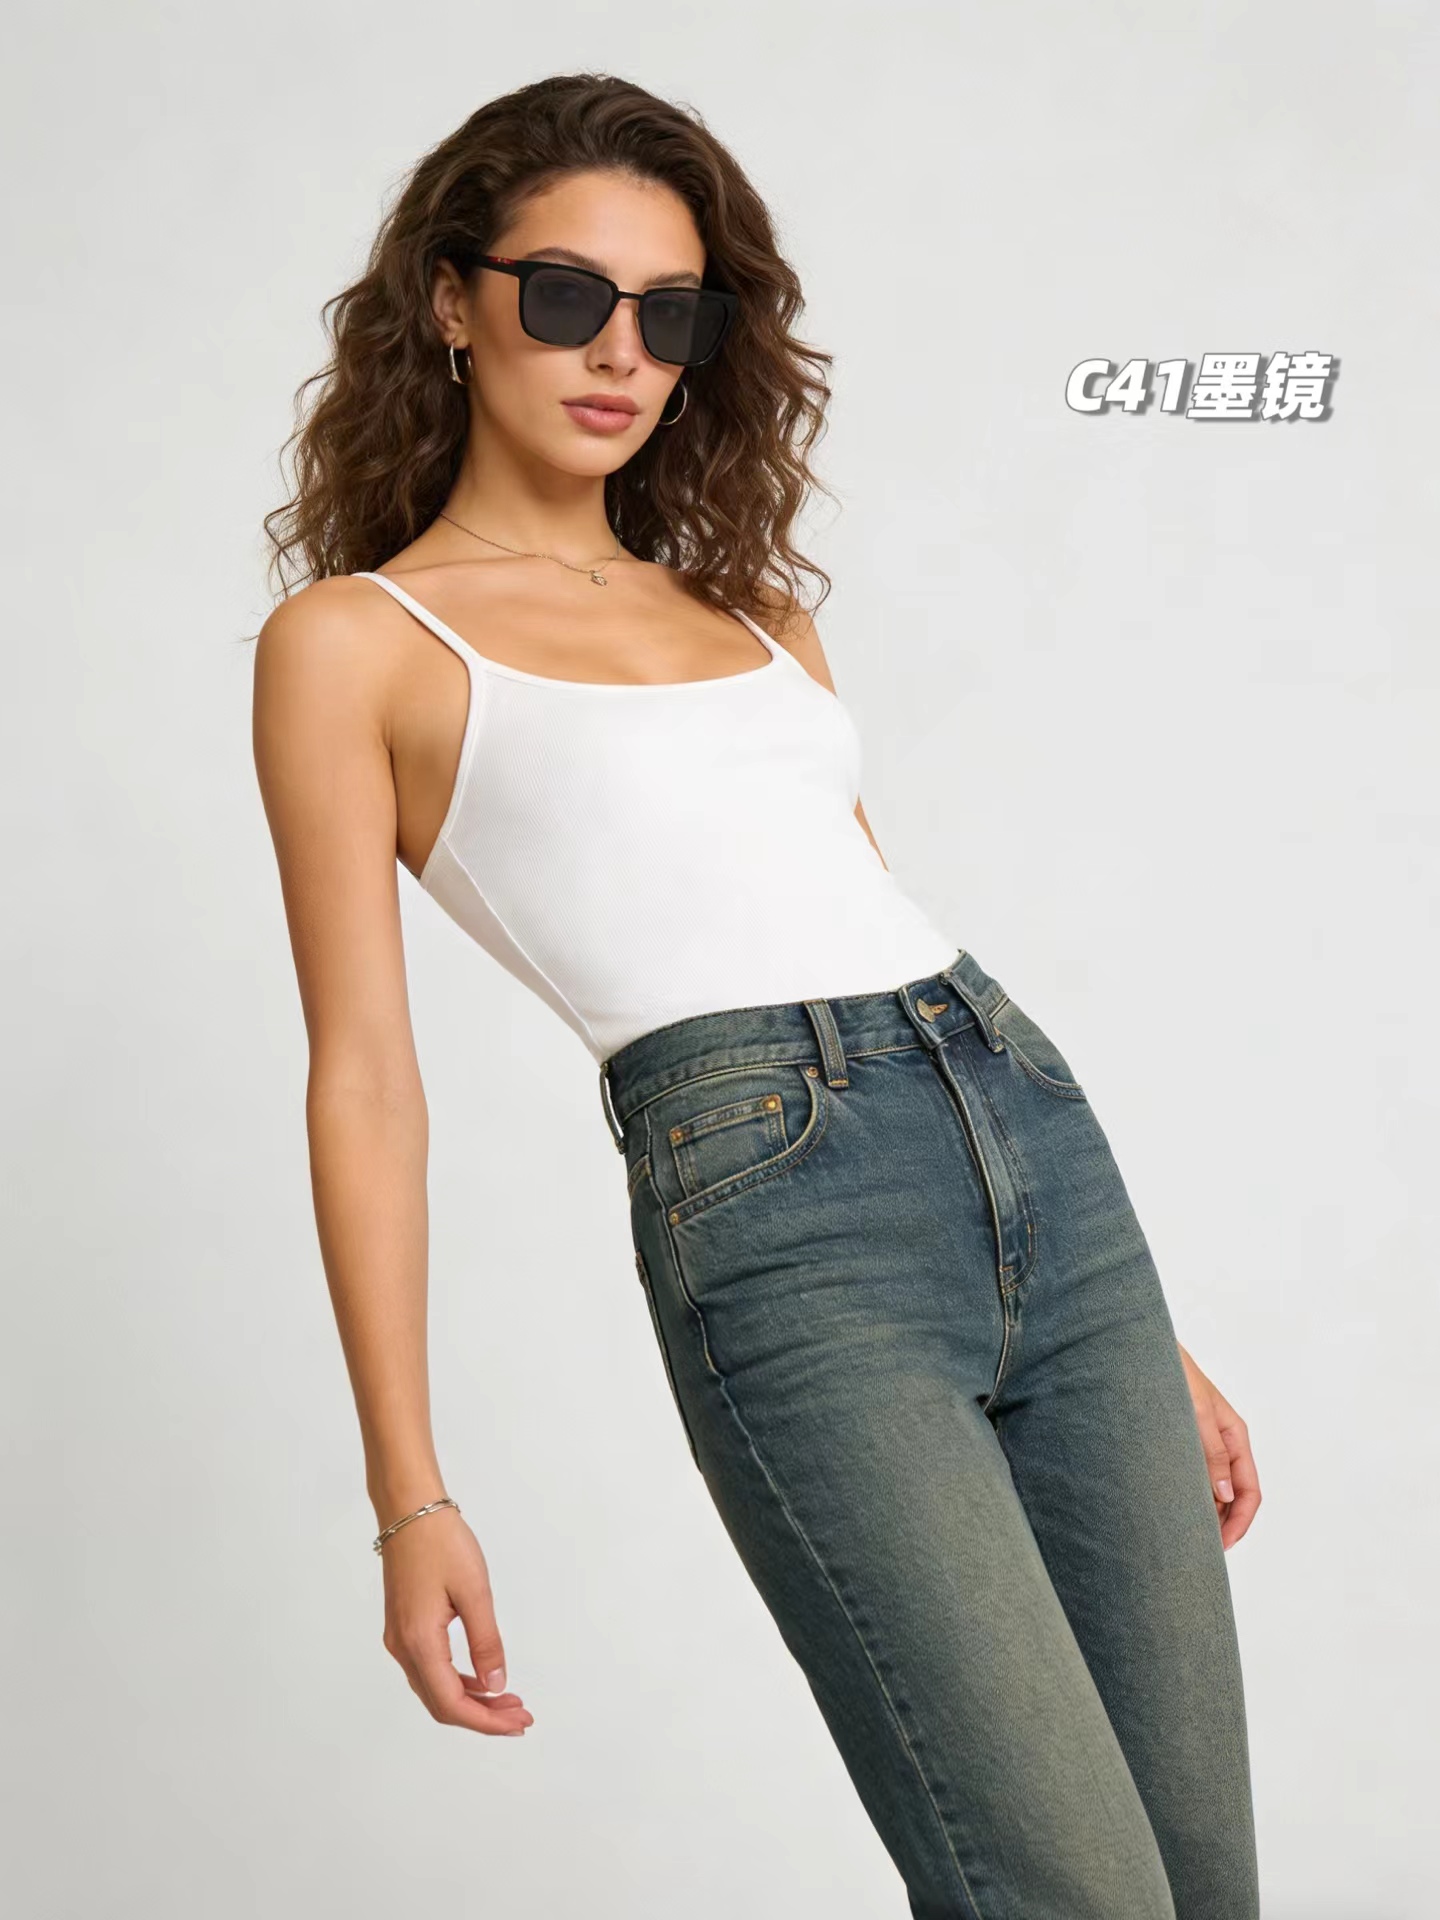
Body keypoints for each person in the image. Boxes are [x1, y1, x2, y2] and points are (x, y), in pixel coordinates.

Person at [252, 71, 1262, 1918]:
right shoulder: (360, 643)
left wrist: (1148, 1335)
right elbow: (364, 1078)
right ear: (452, 300)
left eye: (670, 315)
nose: (618, 352)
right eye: (568, 294)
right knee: (1074, 1888)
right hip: (792, 1222)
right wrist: (413, 1495)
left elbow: (859, 910)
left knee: (1204, 1882)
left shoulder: (752, 616)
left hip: (1036, 1150)